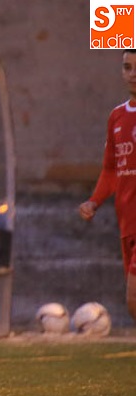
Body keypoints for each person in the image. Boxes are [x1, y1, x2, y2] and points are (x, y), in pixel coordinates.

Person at [79, 49, 136, 325]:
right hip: (127, 222)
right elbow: (112, 169)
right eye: (127, 67)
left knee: (133, 297)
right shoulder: (116, 116)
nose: (133, 74)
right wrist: (94, 201)